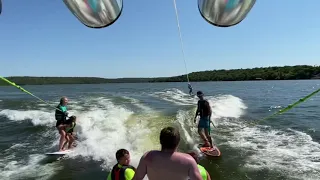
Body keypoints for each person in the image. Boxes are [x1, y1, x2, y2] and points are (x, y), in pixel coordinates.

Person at [133, 126, 203, 180]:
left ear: (160, 141)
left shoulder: (148, 157)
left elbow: (137, 179)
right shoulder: (189, 161)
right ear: (178, 142)